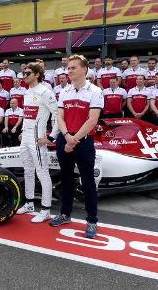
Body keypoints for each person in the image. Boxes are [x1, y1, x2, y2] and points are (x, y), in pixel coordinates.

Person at [50, 55, 103, 239]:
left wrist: (73, 140)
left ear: (84, 69)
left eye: (73, 67)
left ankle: (92, 221)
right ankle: (65, 214)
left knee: (88, 182)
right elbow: (60, 117)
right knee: (65, 179)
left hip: (83, 141)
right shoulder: (64, 91)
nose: (69, 70)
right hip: (66, 138)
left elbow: (92, 120)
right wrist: (66, 136)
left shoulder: (95, 91)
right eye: (68, 67)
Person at [16, 62, 58, 223]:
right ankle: (29, 204)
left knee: (42, 172)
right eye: (23, 73)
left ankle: (46, 209)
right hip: (26, 137)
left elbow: (57, 115)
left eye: (27, 73)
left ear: (37, 75)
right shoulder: (27, 92)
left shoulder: (45, 92)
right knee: (27, 170)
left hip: (38, 139)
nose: (24, 76)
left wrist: (50, 137)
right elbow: (28, 116)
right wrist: (22, 132)